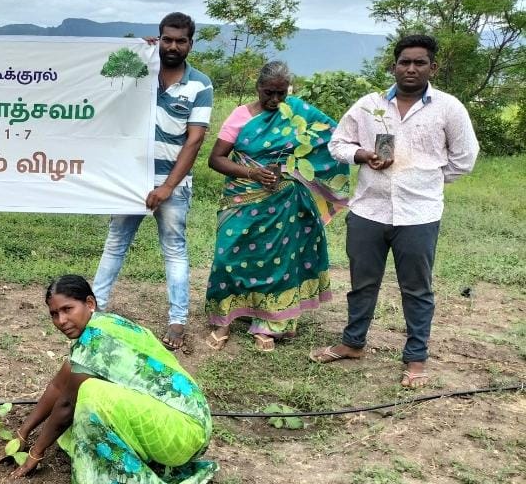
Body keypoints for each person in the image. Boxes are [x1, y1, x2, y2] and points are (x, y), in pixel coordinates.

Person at [311, 34, 479, 388]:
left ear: (433, 67)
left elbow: (464, 159)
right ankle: (352, 343)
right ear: (393, 66)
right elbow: (338, 142)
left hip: (419, 215)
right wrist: (361, 155)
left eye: (420, 63)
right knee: (362, 284)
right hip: (368, 211)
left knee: (417, 289)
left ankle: (416, 358)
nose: (411, 68)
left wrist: (424, 179)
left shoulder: (448, 108)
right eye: (405, 62)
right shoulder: (369, 105)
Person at [8, 275, 217, 484]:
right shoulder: (106, 325)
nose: (61, 320)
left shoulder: (95, 340)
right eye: (54, 314)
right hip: (192, 422)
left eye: (67, 309)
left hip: (182, 433)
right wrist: (21, 434)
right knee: (80, 391)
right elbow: (58, 385)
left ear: (90, 304)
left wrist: (36, 453)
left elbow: (65, 404)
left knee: (89, 394)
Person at [205, 61, 349, 351]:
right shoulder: (240, 116)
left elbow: (334, 139)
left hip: (284, 201)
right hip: (242, 198)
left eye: (281, 94)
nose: (275, 100)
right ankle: (223, 320)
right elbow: (216, 159)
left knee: (278, 262)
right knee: (228, 256)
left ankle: (270, 323)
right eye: (269, 92)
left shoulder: (298, 113)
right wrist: (252, 173)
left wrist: (295, 169)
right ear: (258, 87)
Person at [90, 12, 213, 350]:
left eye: (180, 40)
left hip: (171, 185)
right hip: (129, 180)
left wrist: (168, 187)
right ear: (159, 38)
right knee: (115, 244)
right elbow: (104, 91)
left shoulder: (200, 85)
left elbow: (194, 140)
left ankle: (177, 321)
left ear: (190, 43)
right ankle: (94, 309)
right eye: (167, 39)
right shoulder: (138, 73)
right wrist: (135, 56)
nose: (173, 46)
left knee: (174, 250)